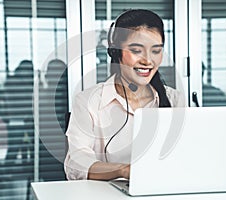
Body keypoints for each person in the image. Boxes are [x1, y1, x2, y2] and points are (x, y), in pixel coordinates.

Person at [64, 9, 185, 180]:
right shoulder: (88, 101)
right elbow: (76, 164)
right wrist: (123, 170)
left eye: (156, 51)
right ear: (116, 51)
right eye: (136, 50)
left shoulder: (175, 100)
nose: (148, 61)